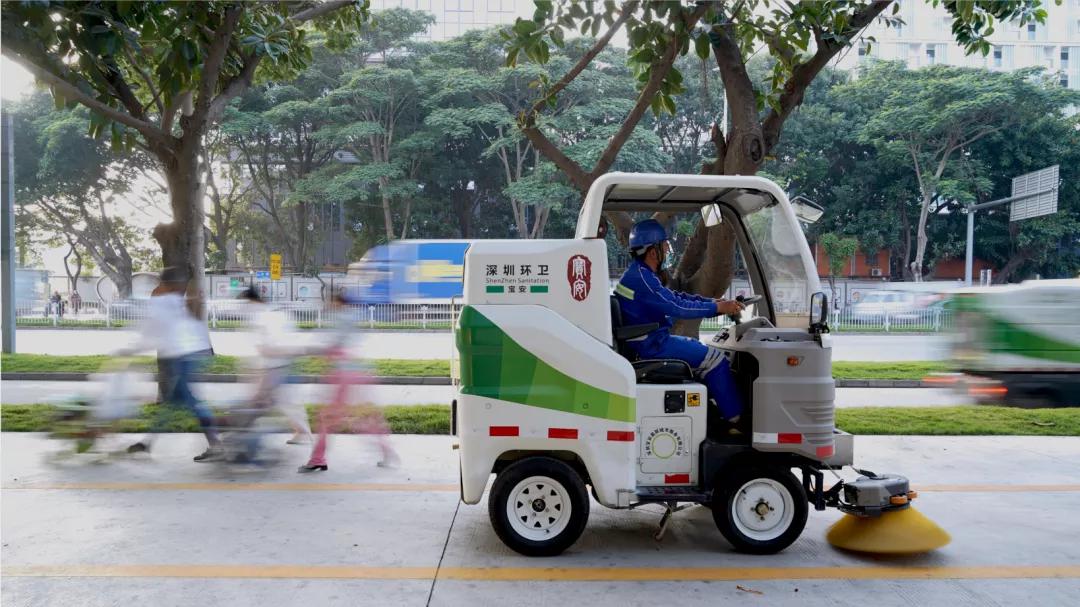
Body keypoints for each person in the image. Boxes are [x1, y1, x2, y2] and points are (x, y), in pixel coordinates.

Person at [614, 219, 746, 428]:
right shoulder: (643, 279)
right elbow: (677, 308)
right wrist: (719, 309)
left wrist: (713, 302)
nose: (668, 249)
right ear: (652, 251)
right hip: (653, 346)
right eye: (665, 245)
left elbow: (675, 297)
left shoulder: (640, 274)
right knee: (715, 359)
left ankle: (711, 411)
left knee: (703, 355)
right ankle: (736, 421)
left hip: (651, 340)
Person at [117, 267, 222, 461]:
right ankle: (147, 443)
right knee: (174, 401)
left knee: (191, 402)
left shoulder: (163, 303)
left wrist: (128, 350)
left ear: (162, 284)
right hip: (191, 353)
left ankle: (217, 445)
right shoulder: (174, 300)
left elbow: (149, 332)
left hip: (185, 356)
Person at [298, 290, 397, 473]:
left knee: (328, 418)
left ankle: (317, 458)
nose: (329, 304)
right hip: (355, 371)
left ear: (338, 302)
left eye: (331, 301)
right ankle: (387, 450)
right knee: (362, 415)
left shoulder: (342, 318)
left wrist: (308, 350)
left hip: (342, 374)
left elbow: (331, 344)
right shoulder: (352, 316)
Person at [239, 286, 312, 445]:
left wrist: (258, 374)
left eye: (246, 302)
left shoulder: (258, 317)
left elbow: (264, 348)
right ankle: (302, 433)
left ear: (251, 301)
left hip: (275, 366)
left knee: (264, 403)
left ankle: (250, 442)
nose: (244, 307)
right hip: (286, 362)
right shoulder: (275, 312)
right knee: (288, 402)